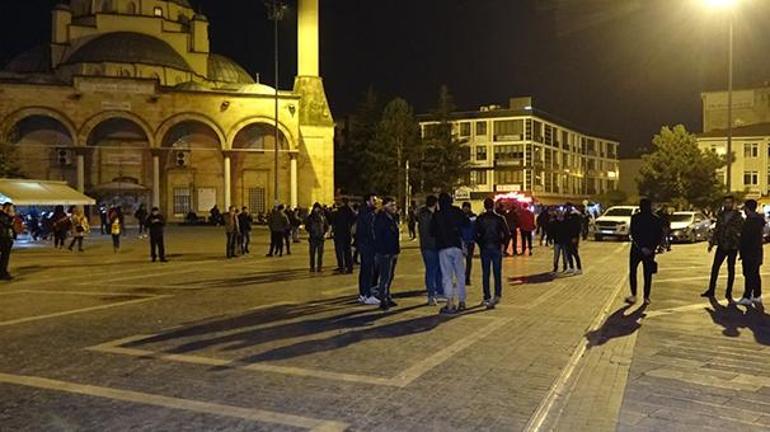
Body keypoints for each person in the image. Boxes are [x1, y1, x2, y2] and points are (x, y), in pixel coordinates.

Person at [432, 192, 470, 314]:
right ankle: (462, 302)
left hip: (443, 248)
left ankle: (449, 304)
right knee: (460, 275)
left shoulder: (437, 215)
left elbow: (431, 231)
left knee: (447, 277)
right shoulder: (457, 211)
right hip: (457, 246)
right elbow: (467, 223)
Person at [702, 196, 744, 301]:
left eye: (729, 203)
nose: (727, 204)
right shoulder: (720, 215)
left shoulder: (738, 216)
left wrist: (739, 244)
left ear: (733, 204)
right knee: (715, 267)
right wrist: (711, 243)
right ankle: (711, 290)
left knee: (731, 269)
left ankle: (728, 292)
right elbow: (717, 229)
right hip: (721, 245)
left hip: (732, 246)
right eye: (726, 202)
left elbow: (741, 232)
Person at [626, 198, 664, 305]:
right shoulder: (656, 219)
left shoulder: (635, 218)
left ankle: (634, 295)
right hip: (649, 251)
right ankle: (646, 297)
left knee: (633, 272)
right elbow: (659, 236)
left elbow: (633, 234)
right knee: (647, 274)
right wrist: (652, 248)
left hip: (637, 249)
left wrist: (641, 247)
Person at [475, 198, 510, 309]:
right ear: (493, 206)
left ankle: (486, 296)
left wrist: (480, 244)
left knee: (486, 273)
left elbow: (475, 234)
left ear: (485, 206)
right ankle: (497, 294)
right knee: (497, 272)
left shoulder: (480, 218)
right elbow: (507, 234)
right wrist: (504, 246)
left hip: (485, 247)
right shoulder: (499, 218)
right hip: (496, 247)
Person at [373, 197, 400, 311]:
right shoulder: (381, 219)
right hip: (384, 252)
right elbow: (379, 237)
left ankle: (387, 296)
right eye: (391, 205)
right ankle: (383, 299)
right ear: (385, 206)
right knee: (385, 276)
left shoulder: (392, 218)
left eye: (394, 205)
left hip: (392, 251)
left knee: (390, 276)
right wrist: (384, 251)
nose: (394, 207)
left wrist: (396, 251)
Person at [737, 199, 765, 307]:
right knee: (755, 274)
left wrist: (742, 251)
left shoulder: (750, 222)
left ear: (748, 209)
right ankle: (757, 295)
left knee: (749, 274)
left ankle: (747, 296)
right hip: (756, 252)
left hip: (750, 252)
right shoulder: (758, 220)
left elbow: (746, 239)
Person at [418, 195, 443, 305]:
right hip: (430, 247)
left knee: (437, 270)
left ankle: (439, 292)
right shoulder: (426, 216)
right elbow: (428, 233)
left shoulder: (428, 215)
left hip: (433, 246)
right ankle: (431, 295)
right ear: (435, 204)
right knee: (431, 271)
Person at [356, 194, 380, 305]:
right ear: (367, 201)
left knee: (364, 270)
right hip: (368, 245)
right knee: (368, 270)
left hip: (364, 244)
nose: (375, 202)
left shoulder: (364, 213)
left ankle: (363, 294)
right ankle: (367, 294)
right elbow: (371, 231)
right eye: (373, 200)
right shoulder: (368, 214)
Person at [333, 198, 355, 274]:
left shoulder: (339, 210)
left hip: (340, 233)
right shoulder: (348, 210)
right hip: (346, 232)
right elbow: (354, 218)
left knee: (340, 251)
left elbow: (333, 220)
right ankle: (348, 267)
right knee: (347, 251)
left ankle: (342, 267)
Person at [305, 203, 329, 272]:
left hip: (320, 237)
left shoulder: (323, 217)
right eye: (316, 208)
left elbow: (326, 226)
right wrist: (311, 230)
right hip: (313, 237)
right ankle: (312, 267)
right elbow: (307, 226)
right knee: (312, 254)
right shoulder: (310, 217)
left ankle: (319, 267)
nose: (317, 209)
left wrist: (324, 234)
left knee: (320, 254)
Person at [564, 204, 583, 275]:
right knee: (568, 253)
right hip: (567, 237)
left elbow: (577, 227)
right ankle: (571, 267)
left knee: (575, 253)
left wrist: (575, 237)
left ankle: (579, 268)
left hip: (573, 237)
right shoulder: (566, 215)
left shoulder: (575, 215)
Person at [461, 202, 477, 285]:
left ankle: (467, 278)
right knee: (460, 261)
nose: (466, 209)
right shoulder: (459, 216)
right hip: (461, 241)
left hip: (470, 241)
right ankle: (462, 277)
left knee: (469, 260)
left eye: (467, 207)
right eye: (464, 207)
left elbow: (476, 228)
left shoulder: (474, 216)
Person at [551, 208, 570, 274]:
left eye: (561, 214)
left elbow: (568, 232)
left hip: (564, 241)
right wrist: (552, 238)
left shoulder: (566, 222)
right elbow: (552, 231)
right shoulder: (554, 222)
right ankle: (555, 267)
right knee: (556, 255)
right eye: (559, 214)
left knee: (565, 255)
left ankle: (565, 267)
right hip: (557, 241)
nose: (560, 216)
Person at [0, 203, 15, 280]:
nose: (13, 210)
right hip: (3, 238)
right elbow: (8, 224)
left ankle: (3, 272)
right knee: (4, 257)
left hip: (6, 238)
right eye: (11, 208)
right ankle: (2, 273)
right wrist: (11, 217)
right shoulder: (3, 216)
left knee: (5, 257)